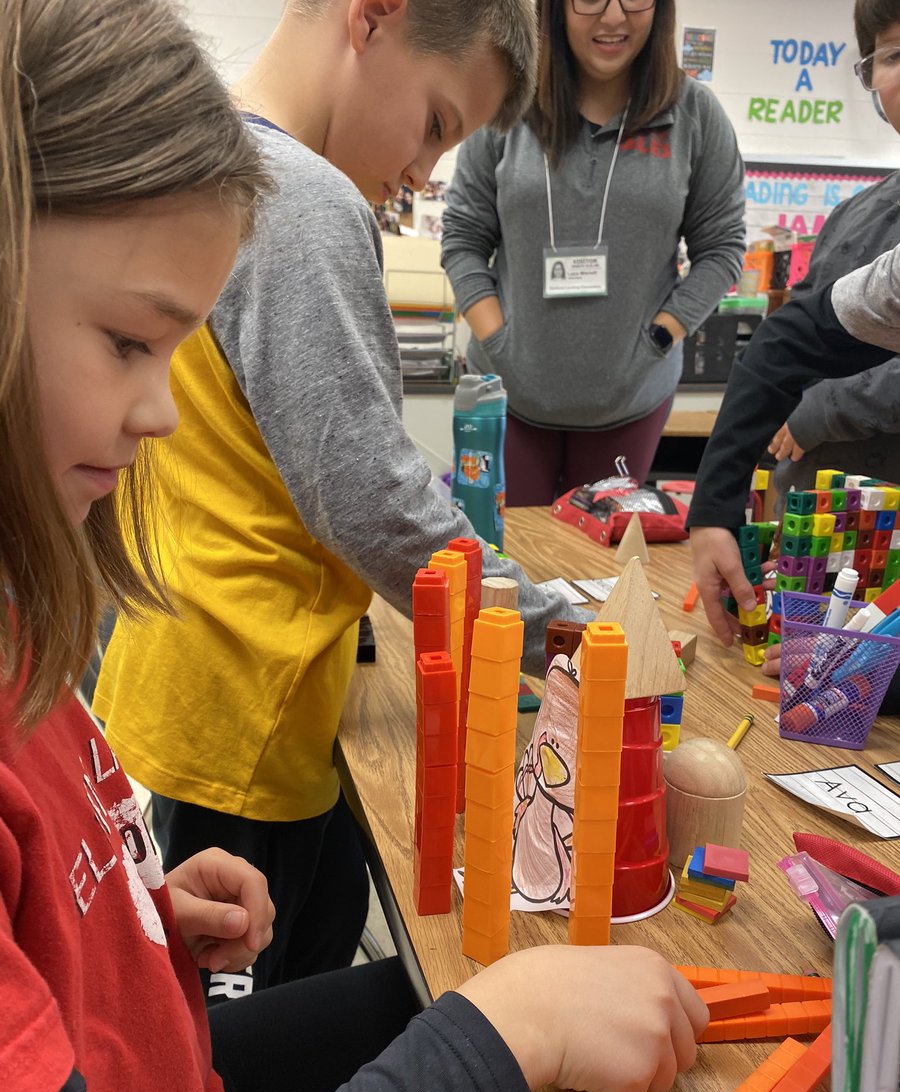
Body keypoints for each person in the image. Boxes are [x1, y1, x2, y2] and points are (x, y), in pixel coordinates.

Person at [1, 9, 709, 1092]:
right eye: (128, 342)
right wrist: (509, 1037)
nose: (164, 412)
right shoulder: (304, 198)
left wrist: (121, 933)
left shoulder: (29, 638)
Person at [93, 0, 594, 1000]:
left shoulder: (209, 157)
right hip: (240, 718)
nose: (423, 175)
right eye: (438, 126)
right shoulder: (304, 199)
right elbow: (370, 499)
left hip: (190, 687)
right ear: (374, 18)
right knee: (238, 1051)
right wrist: (559, 628)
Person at [440, 0, 745, 505]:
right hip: (506, 397)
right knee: (501, 558)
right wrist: (499, 338)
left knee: (597, 570)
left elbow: (722, 247)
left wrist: (660, 336)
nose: (613, 17)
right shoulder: (506, 101)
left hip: (628, 402)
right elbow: (463, 237)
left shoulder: (693, 114)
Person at [688, 0, 900, 653]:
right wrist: (715, 507)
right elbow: (791, 340)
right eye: (892, 55)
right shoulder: (869, 228)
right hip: (831, 554)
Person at [758, 0, 900, 499]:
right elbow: (795, 336)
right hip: (808, 523)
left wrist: (821, 409)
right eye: (892, 55)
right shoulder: (853, 213)